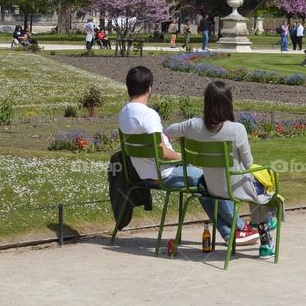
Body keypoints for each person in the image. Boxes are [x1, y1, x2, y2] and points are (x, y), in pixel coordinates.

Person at [117, 66, 258, 246]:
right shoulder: (148, 115)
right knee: (210, 181)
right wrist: (184, 158)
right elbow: (163, 152)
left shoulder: (123, 113)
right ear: (149, 88)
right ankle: (238, 229)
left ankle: (232, 232)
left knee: (203, 185)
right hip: (164, 174)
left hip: (143, 173)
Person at [166, 81, 278, 258]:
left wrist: (167, 140)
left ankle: (261, 225)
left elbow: (169, 130)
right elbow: (249, 164)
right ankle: (265, 237)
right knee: (263, 185)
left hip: (211, 187)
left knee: (256, 185)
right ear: (229, 103)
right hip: (235, 187)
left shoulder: (194, 126)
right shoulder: (237, 130)